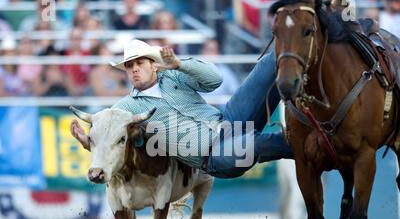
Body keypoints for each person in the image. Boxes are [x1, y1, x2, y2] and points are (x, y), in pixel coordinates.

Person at [70, 39, 293, 179]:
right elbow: (111, 142)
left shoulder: (174, 73)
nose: (135, 69)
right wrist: (87, 142)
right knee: (257, 142)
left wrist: (180, 64)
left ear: (153, 64)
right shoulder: (126, 108)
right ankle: (313, 147)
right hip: (214, 157)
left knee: (270, 61)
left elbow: (215, 80)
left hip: (228, 119)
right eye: (130, 66)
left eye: (140, 63)